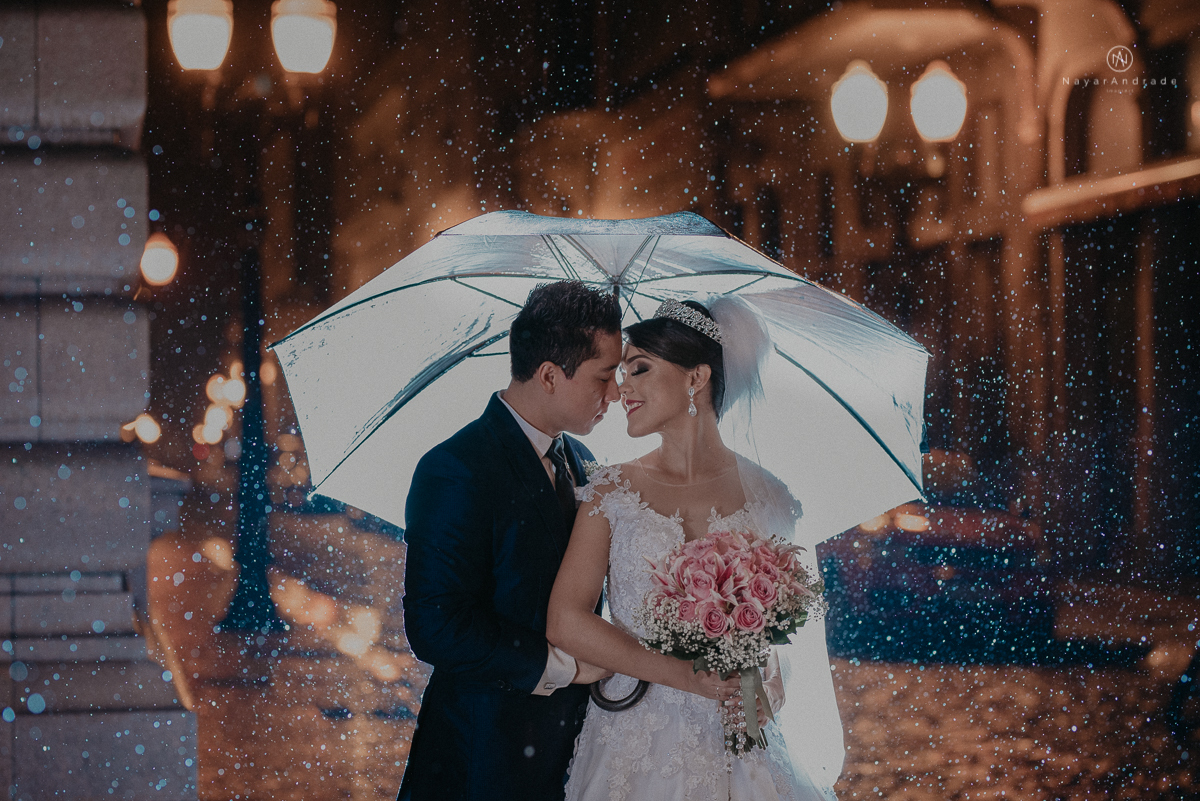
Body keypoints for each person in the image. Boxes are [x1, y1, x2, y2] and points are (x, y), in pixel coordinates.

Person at [547, 296, 844, 801]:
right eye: (620, 373)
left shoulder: (769, 496)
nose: (622, 388)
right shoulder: (610, 491)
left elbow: (778, 645)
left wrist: (764, 691)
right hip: (634, 738)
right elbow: (566, 620)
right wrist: (684, 676)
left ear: (696, 378)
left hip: (738, 741)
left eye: (639, 369)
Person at [398, 281, 627, 801]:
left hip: (574, 751)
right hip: (483, 752)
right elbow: (436, 625)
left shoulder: (584, 463)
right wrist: (566, 667)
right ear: (549, 375)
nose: (614, 394)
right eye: (603, 376)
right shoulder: (455, 467)